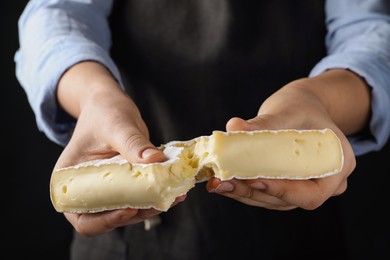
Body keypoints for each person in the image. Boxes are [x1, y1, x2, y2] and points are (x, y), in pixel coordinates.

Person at [15, 0, 390, 259]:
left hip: (303, 230)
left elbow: (371, 31)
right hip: (132, 243)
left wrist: (320, 98)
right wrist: (94, 94)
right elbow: (56, 14)